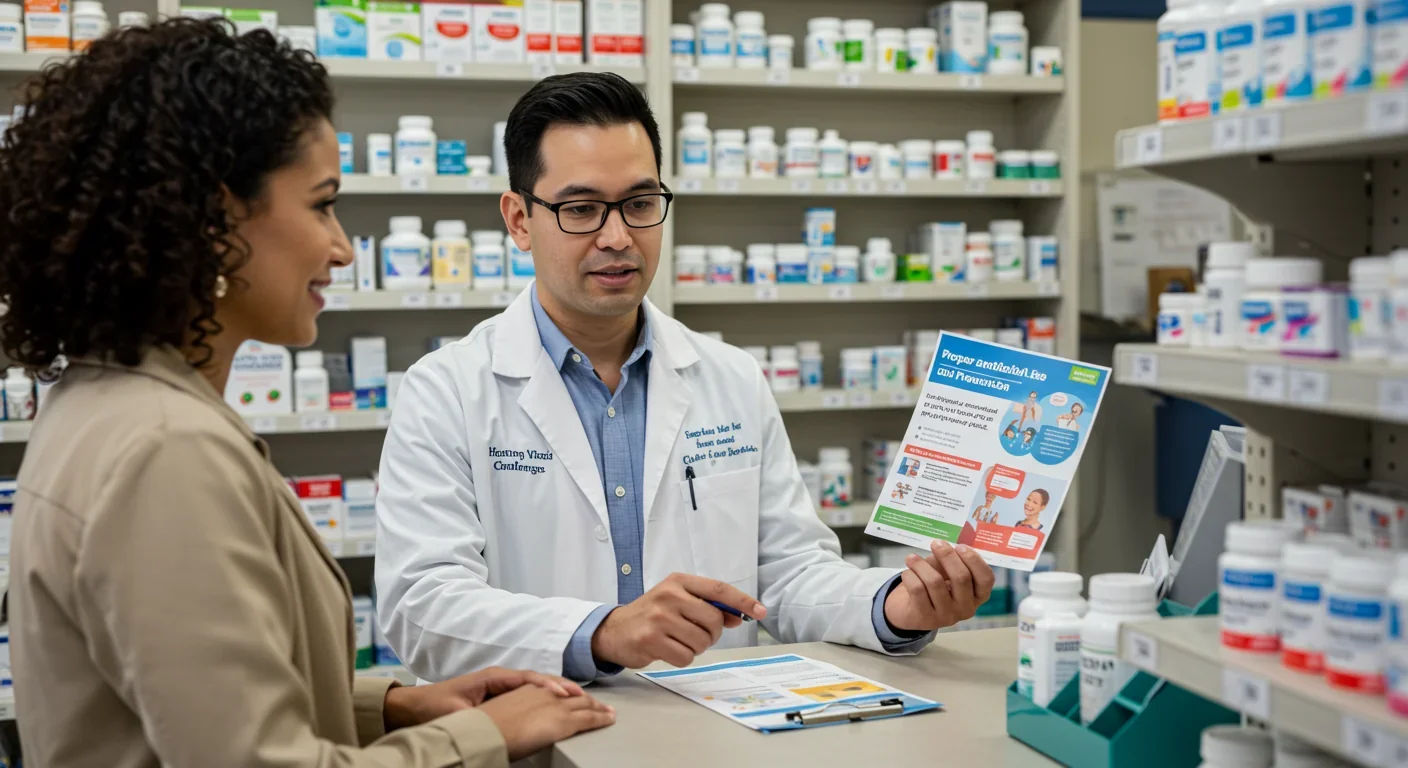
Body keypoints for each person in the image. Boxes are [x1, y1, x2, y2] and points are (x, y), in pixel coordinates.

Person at [0, 20, 612, 767]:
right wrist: (486, 736)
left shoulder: (106, 398)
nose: (342, 246)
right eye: (321, 204)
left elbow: (184, 697)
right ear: (216, 219)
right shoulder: (165, 450)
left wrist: (390, 707)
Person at [375, 72, 997, 683]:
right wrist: (600, 632)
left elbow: (787, 574)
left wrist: (893, 607)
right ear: (518, 220)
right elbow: (422, 608)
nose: (617, 237)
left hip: (710, 725)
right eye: (582, 209)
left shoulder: (732, 377)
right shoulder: (446, 391)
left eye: (640, 204)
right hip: (538, 726)